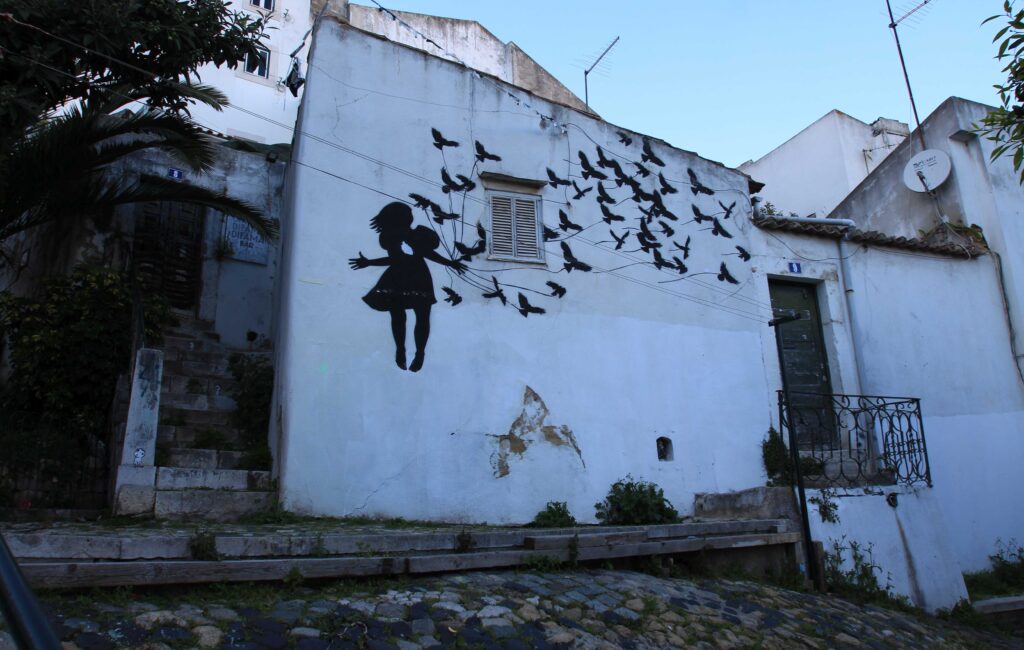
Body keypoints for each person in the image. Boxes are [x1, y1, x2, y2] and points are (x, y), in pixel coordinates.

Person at [349, 202, 466, 371]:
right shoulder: (397, 235)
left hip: (401, 277)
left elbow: (419, 254)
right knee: (416, 316)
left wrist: (369, 262)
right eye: (408, 213)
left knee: (403, 316)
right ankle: (410, 352)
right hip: (414, 277)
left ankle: (410, 353)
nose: (411, 216)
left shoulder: (400, 235)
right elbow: (411, 256)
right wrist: (449, 263)